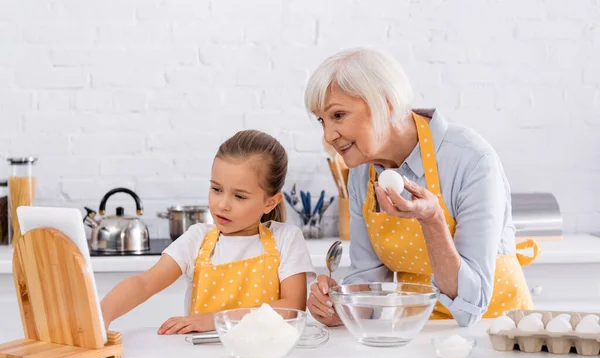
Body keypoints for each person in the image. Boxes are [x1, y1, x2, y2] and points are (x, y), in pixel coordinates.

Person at [304, 48, 539, 327]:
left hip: (495, 331)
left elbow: (471, 308)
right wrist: (339, 306)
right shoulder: (360, 173)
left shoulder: (471, 159)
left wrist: (432, 219)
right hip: (416, 331)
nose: (328, 135)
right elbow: (367, 280)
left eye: (338, 115)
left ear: (386, 103)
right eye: (322, 120)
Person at [101, 130, 316, 334]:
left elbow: (292, 308)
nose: (222, 204)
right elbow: (144, 283)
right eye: (216, 189)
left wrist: (217, 319)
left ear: (270, 202)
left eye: (239, 196)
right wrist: (101, 316)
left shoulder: (286, 239)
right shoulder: (197, 239)